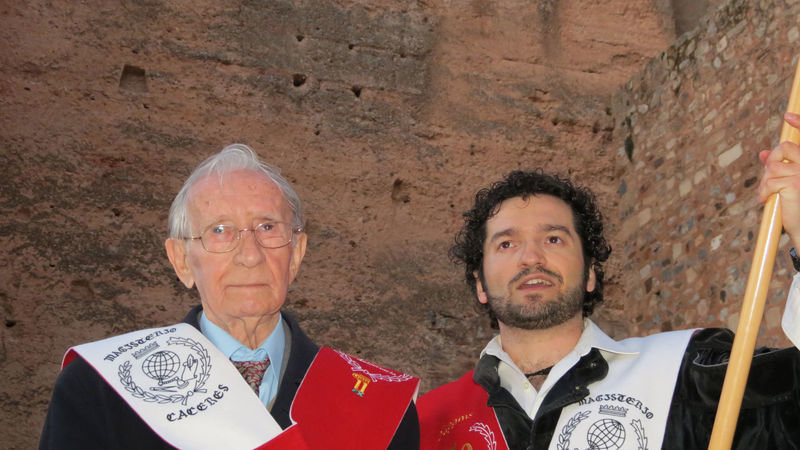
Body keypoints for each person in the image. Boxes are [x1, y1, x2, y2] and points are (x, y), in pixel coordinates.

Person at [417, 114, 800, 449]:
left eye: (554, 239)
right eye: (506, 243)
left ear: (590, 273)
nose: (530, 257)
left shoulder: (689, 374)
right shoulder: (422, 425)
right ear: (480, 284)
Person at [39, 144, 420, 449]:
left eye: (267, 227)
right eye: (220, 230)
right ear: (181, 260)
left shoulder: (382, 411)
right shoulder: (99, 391)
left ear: (296, 254)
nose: (250, 255)